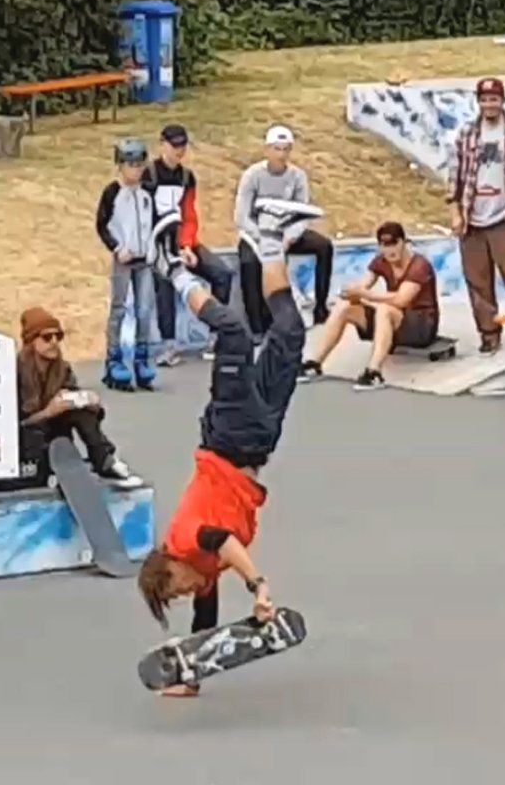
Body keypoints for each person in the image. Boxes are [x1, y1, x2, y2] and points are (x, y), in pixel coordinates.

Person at [135, 197, 324, 698]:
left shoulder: (186, 541)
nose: (186, 592)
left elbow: (223, 541)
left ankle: (170, 268)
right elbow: (207, 626)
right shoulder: (200, 571)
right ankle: (271, 239)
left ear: (170, 566)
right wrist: (190, 676)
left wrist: (258, 586)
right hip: (258, 439)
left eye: (175, 588)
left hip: (228, 435)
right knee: (289, 334)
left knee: (235, 333)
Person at [449, 77, 505, 354]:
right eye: (485, 99)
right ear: (478, 102)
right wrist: (455, 211)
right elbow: (455, 174)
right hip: (472, 217)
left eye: (494, 99)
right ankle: (489, 333)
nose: (489, 104)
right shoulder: (467, 133)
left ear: (503, 101)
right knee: (478, 281)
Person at [298, 221, 440, 392]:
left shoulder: (419, 265)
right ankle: (314, 363)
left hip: (421, 325)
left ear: (403, 242)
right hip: (395, 320)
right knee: (344, 307)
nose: (390, 250)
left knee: (384, 309)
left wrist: (365, 295)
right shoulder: (381, 261)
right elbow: (363, 285)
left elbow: (401, 299)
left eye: (393, 244)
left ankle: (374, 371)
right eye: (384, 245)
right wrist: (352, 293)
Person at [17, 307, 141, 489]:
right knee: (34, 435)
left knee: (81, 411)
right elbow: (15, 425)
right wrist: (48, 412)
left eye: (58, 336)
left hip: (56, 431)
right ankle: (47, 472)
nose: (54, 342)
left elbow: (77, 403)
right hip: (27, 438)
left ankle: (105, 460)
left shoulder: (62, 369)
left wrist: (90, 403)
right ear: (31, 341)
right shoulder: (15, 373)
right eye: (47, 337)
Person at [145, 124, 234, 365]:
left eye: (183, 145)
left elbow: (189, 215)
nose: (179, 151)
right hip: (157, 245)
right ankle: (169, 345)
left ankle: (216, 336)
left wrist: (186, 246)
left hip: (182, 242)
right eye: (175, 145)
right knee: (164, 281)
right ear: (163, 145)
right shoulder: (148, 175)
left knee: (222, 273)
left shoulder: (187, 177)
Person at [236, 124, 335, 337]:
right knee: (248, 262)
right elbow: (241, 216)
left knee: (324, 246)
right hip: (257, 233)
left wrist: (290, 237)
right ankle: (257, 326)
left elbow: (303, 212)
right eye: (277, 149)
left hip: (286, 232)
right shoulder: (252, 175)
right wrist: (262, 238)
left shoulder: (297, 176)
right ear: (267, 150)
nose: (281, 155)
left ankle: (320, 308)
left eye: (285, 149)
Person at [97, 138, 161, 391]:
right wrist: (116, 247)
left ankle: (142, 357)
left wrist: (154, 248)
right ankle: (114, 358)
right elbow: (102, 225)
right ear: (120, 166)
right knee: (119, 308)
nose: (136, 170)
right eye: (131, 165)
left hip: (144, 260)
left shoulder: (148, 192)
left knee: (144, 309)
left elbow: (154, 222)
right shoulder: (113, 192)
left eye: (140, 165)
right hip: (123, 259)